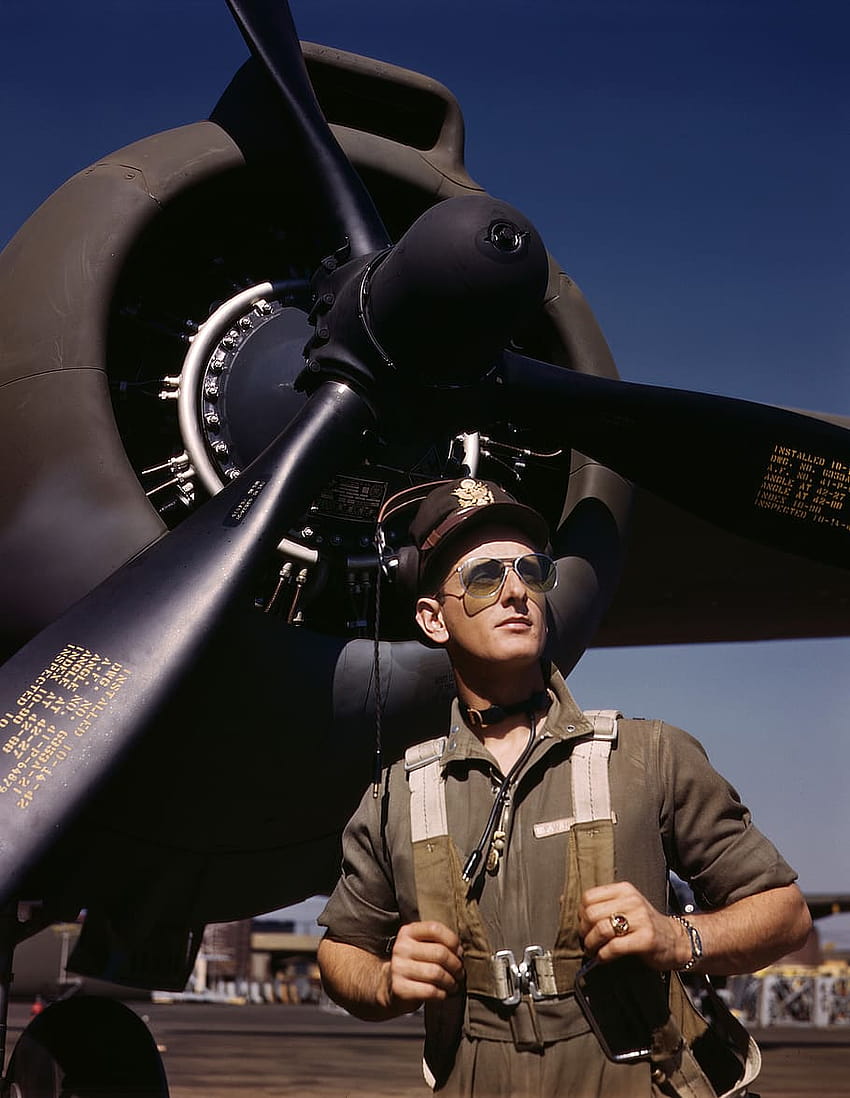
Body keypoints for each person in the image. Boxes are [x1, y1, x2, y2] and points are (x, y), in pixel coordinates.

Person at [317, 477, 811, 1097]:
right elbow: (342, 952)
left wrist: (678, 937)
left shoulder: (649, 755)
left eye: (532, 570)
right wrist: (386, 982)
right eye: (483, 578)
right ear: (431, 619)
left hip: (636, 1077)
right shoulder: (398, 795)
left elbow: (785, 913)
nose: (516, 590)